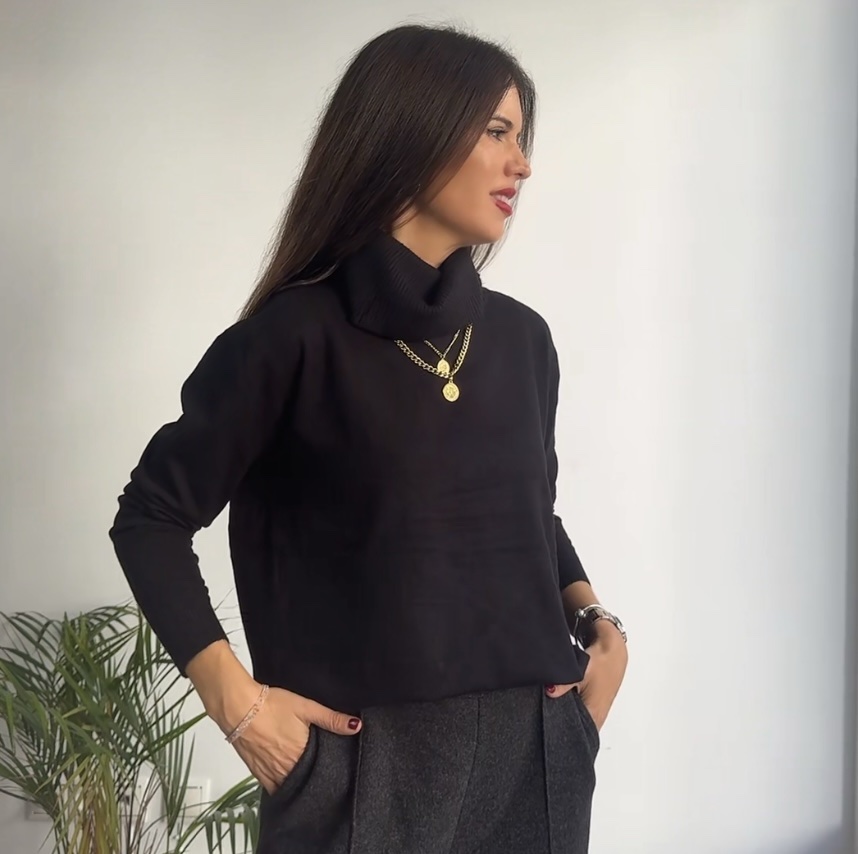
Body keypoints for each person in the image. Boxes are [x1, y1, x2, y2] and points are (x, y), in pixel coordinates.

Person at [109, 22, 628, 854]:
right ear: (412, 130)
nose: (522, 165)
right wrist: (239, 707)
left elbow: (535, 516)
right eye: (498, 132)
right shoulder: (289, 341)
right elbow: (151, 518)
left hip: (537, 747)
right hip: (364, 763)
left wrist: (600, 627)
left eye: (522, 138)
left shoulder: (523, 340)